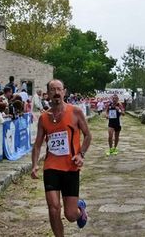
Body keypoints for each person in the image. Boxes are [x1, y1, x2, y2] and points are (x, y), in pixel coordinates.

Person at [31, 79, 92, 236]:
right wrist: (34, 165)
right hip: (51, 167)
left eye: (59, 89)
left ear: (64, 92)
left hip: (71, 167)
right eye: (53, 89)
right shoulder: (44, 118)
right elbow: (37, 144)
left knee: (70, 215)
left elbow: (87, 136)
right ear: (48, 94)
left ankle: (80, 210)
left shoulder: (75, 112)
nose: (56, 92)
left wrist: (81, 154)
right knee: (53, 208)